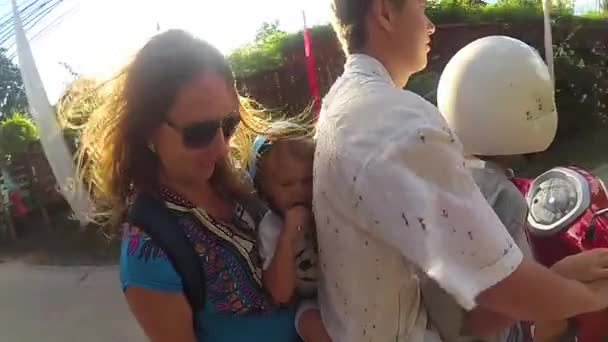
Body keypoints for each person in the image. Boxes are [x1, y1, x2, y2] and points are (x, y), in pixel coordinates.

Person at [313, 0, 608, 341]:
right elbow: (495, 297)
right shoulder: (398, 122)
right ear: (384, 13)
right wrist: (590, 296)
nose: (430, 25)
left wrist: (557, 279)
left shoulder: (343, 105)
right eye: (422, 9)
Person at [77, 30, 299, 342]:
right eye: (200, 132)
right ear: (148, 131)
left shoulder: (240, 178)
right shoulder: (149, 251)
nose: (221, 148)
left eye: (229, 125)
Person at [243, 121, 331, 342]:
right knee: (307, 322)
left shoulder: (331, 206)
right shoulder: (272, 228)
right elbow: (281, 293)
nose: (300, 190)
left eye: (307, 180)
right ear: (265, 192)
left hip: (348, 289)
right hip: (312, 301)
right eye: (287, 184)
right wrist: (289, 235)